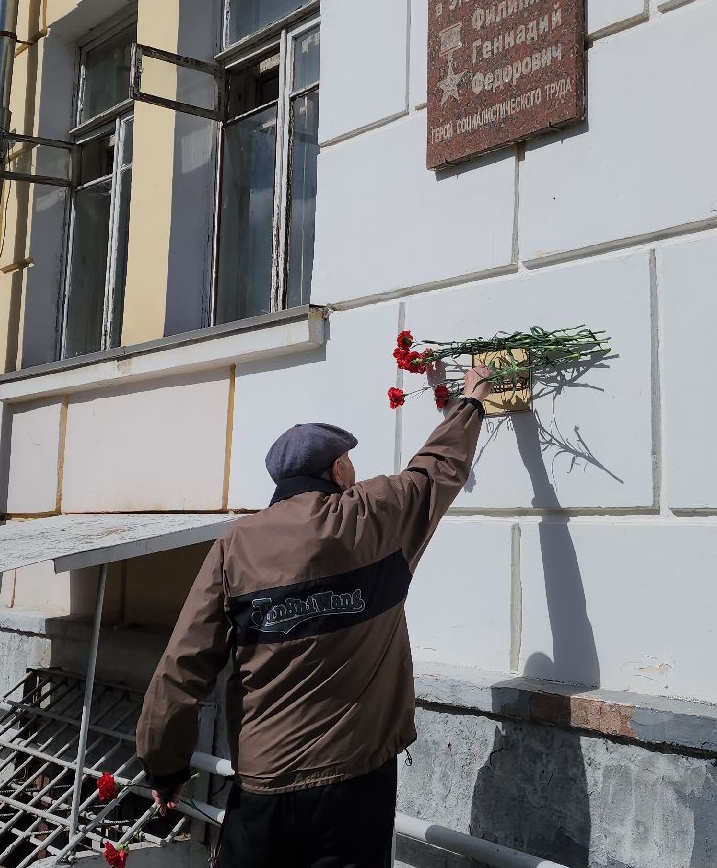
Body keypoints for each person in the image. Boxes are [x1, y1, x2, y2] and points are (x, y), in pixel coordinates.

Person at [135, 365, 493, 868]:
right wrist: (470, 403)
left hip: (264, 784)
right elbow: (434, 471)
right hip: (356, 782)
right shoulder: (373, 517)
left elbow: (181, 668)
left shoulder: (235, 546)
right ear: (337, 470)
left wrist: (165, 766)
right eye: (348, 461)